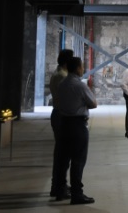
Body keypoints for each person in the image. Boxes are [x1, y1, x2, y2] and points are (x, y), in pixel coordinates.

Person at [53, 56, 97, 205]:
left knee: (63, 160)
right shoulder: (80, 85)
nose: (83, 69)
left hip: (64, 123)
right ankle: (77, 193)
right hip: (77, 125)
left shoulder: (62, 83)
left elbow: (58, 102)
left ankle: (60, 190)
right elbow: (93, 103)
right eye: (82, 66)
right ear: (78, 68)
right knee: (78, 160)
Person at [48, 49, 73, 199]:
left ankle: (59, 184)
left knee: (62, 153)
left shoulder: (60, 74)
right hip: (62, 115)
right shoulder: (62, 77)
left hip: (60, 114)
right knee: (63, 154)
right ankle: (59, 186)